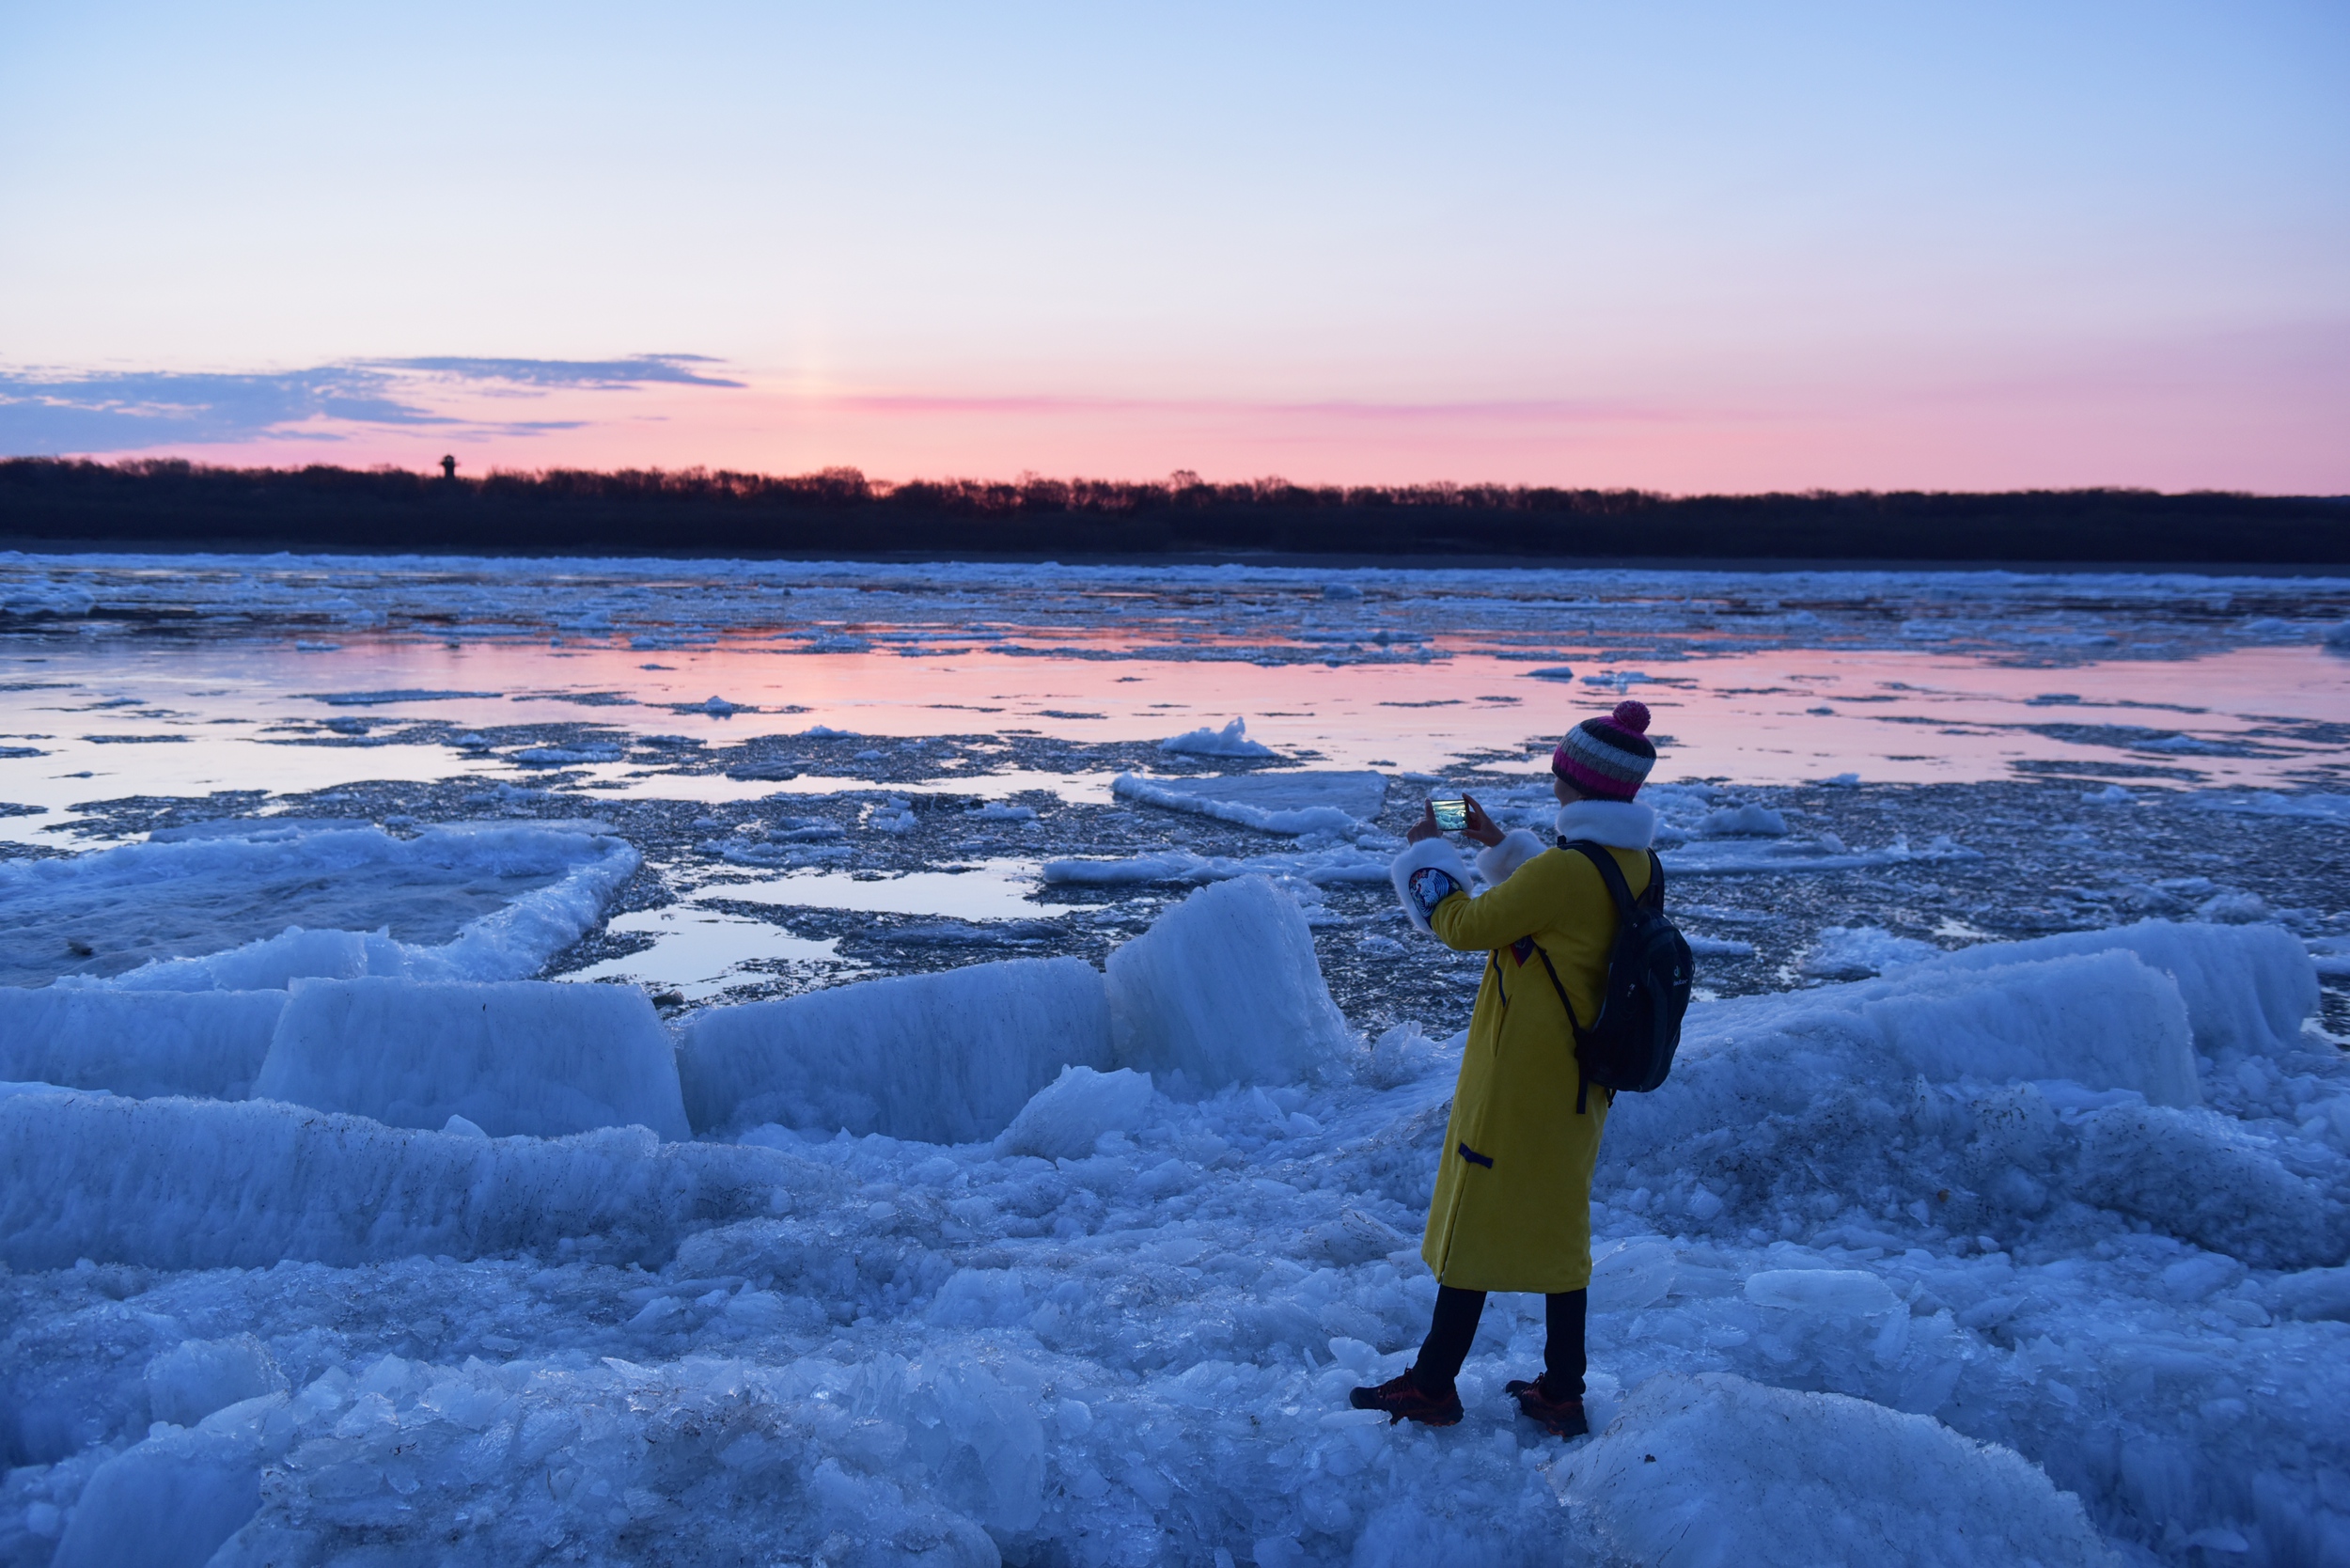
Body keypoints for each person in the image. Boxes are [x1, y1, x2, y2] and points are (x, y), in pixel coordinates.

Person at [1349, 699, 1661, 1437]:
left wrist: (1432, 856)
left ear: (1570, 778)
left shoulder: (1564, 871)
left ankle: (1432, 1385)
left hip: (1523, 1074)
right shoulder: (1635, 864)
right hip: (1585, 1076)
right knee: (1558, 1222)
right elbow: (1567, 905)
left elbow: (1464, 926)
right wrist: (1495, 841)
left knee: (1479, 1215)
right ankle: (1562, 1387)